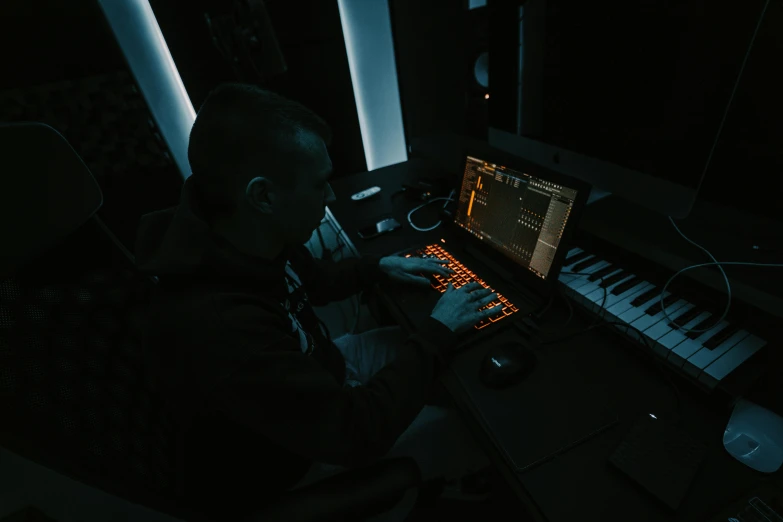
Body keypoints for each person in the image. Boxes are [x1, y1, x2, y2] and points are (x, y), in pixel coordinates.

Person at [134, 83, 501, 521]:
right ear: (263, 196)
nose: (330, 198)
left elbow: (315, 281)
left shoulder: (243, 234)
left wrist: (379, 267)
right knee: (476, 425)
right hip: (292, 460)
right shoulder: (221, 326)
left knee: (458, 356)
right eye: (319, 185)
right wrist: (436, 331)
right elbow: (358, 433)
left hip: (320, 373)